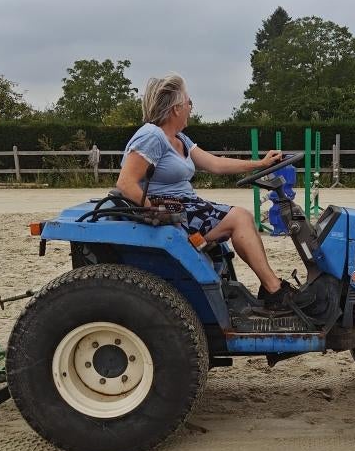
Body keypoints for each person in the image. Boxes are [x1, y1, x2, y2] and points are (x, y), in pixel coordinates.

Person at [116, 74, 294, 308]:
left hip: (186, 206)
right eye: (189, 103)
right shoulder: (152, 136)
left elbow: (215, 164)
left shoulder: (179, 138)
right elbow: (125, 183)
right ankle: (274, 291)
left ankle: (266, 289)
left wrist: (259, 164)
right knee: (240, 218)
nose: (191, 108)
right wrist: (156, 212)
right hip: (173, 211)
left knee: (240, 217)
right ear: (176, 108)